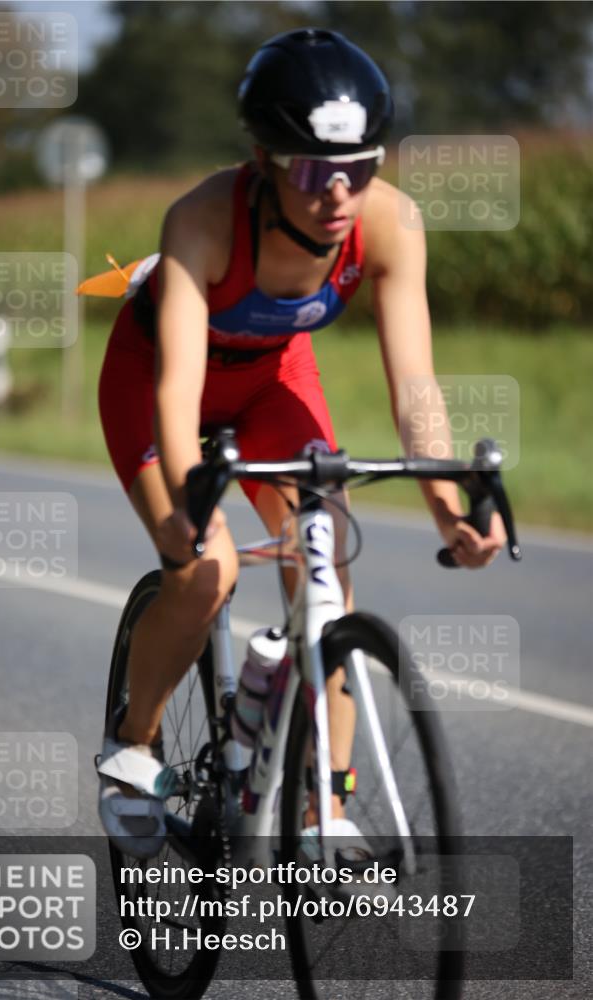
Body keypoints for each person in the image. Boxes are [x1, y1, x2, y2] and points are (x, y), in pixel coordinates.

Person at [94, 27, 506, 857]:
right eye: (318, 171)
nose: (340, 194)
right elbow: (174, 389)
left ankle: (326, 809)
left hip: (273, 383)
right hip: (157, 382)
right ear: (265, 159)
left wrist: (446, 506)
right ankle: (132, 748)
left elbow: (414, 385)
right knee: (205, 569)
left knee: (323, 575)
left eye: (362, 168)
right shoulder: (203, 222)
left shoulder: (389, 227)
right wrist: (184, 508)